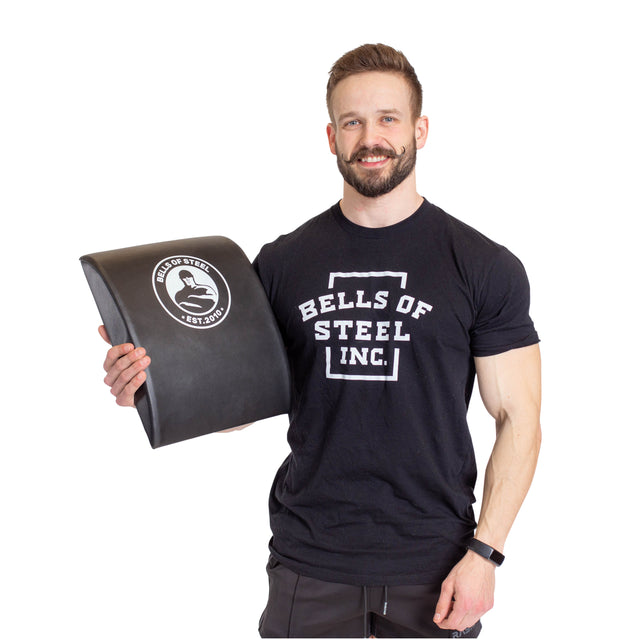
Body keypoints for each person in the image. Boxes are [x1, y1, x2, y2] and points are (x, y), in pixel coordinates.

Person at [98, 44, 541, 638]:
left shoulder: (483, 266)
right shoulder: (282, 264)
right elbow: (240, 401)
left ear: (421, 130)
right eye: (352, 122)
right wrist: (154, 383)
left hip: (434, 566)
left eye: (388, 118)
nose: (371, 137)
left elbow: (520, 418)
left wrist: (485, 554)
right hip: (310, 564)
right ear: (331, 137)